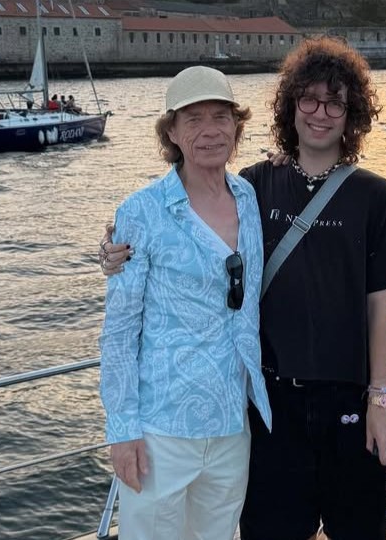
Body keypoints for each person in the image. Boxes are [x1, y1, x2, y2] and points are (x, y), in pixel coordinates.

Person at [101, 37, 386, 540]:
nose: (320, 113)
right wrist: (113, 250)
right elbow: (123, 318)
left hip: (309, 410)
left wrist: (381, 401)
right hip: (244, 411)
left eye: (335, 103)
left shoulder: (362, 197)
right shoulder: (244, 188)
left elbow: (381, 309)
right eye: (308, 99)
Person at [98, 65, 272, 540]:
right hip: (162, 428)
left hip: (232, 421)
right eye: (193, 119)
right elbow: (119, 331)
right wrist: (123, 430)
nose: (210, 130)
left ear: (237, 126)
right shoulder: (142, 211)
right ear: (171, 132)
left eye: (221, 116)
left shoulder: (249, 197)